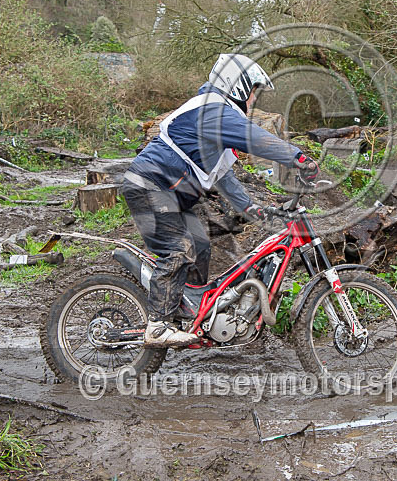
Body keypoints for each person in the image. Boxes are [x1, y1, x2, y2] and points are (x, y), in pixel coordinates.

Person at [122, 53, 319, 347]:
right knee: (178, 249)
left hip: (172, 192)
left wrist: (252, 208)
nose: (254, 100)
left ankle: (189, 313)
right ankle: (159, 326)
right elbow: (253, 138)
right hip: (152, 185)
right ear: (237, 86)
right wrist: (298, 158)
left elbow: (223, 177)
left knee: (200, 245)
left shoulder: (218, 119)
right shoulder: (212, 110)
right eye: (253, 92)